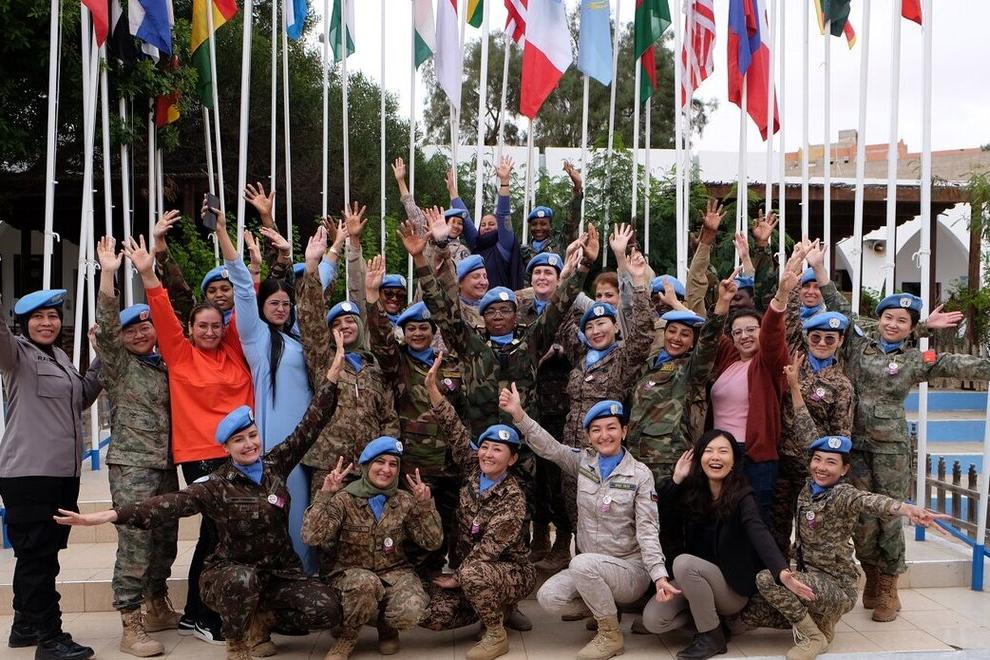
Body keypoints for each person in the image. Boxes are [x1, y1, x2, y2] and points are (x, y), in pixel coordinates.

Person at [55, 340, 347, 660]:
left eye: (252, 436)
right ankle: (237, 644)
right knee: (242, 580)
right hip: (229, 575)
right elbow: (164, 505)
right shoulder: (215, 486)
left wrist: (332, 378)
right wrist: (109, 515)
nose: (249, 444)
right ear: (226, 448)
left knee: (326, 608)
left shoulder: (276, 464)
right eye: (239, 440)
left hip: (278, 574)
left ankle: (263, 619)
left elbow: (310, 425)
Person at [124, 230, 255, 644]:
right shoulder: (180, 355)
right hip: (201, 456)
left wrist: (250, 264)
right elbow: (162, 311)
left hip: (239, 455)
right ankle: (201, 614)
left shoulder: (234, 349)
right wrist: (148, 273)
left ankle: (203, 611)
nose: (211, 332)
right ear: (191, 328)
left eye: (216, 325)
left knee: (226, 533)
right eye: (202, 326)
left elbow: (245, 298)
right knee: (215, 531)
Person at [839, 292, 990, 621]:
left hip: (891, 450)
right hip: (856, 448)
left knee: (890, 518)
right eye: (888, 317)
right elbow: (842, 312)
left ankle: (889, 586)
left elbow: (953, 363)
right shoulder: (858, 345)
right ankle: (872, 575)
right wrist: (822, 272)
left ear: (910, 328)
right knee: (862, 520)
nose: (893, 324)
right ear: (879, 319)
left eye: (902, 321)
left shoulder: (914, 360)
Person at [742, 431, 946, 660]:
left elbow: (869, 500)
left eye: (831, 462)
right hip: (809, 580)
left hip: (836, 588)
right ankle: (820, 622)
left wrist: (906, 509)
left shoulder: (842, 494)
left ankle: (814, 637)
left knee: (767, 579)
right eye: (817, 459)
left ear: (844, 469)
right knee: (750, 614)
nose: (821, 467)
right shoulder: (807, 490)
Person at [501, 392, 674, 660]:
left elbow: (648, 531)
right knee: (549, 597)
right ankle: (604, 608)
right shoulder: (584, 462)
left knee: (581, 563)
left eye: (611, 428)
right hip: (591, 568)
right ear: (588, 436)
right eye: (596, 430)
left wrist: (659, 576)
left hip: (629, 570)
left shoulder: (640, 475)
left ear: (624, 431)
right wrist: (519, 415)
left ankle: (610, 634)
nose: (604, 435)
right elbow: (551, 448)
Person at [212, 199, 327, 575]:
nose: (281, 308)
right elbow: (243, 288)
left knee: (310, 510)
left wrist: (323, 256)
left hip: (312, 441)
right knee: (284, 509)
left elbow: (318, 287)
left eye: (286, 304)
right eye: (274, 302)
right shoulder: (256, 338)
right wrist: (222, 232)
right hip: (278, 440)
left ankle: (308, 579)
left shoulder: (299, 337)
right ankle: (284, 579)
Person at [641, 431, 814, 660]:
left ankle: (711, 637)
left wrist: (781, 572)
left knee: (684, 563)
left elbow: (759, 532)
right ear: (699, 458)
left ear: (733, 460)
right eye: (709, 451)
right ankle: (715, 623)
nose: (715, 457)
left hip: (730, 589)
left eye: (723, 451)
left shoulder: (743, 495)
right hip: (693, 579)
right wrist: (676, 480)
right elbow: (660, 517)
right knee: (653, 620)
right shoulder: (693, 491)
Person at [0, 288, 102, 660]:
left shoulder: (59, 357)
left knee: (43, 554)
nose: (47, 323)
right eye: (38, 317)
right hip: (29, 475)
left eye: (54, 316)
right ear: (23, 324)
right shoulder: (15, 354)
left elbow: (82, 397)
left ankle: (25, 626)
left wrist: (101, 355)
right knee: (37, 557)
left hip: (61, 475)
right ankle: (50, 638)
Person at [94, 235, 179, 657]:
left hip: (164, 465)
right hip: (131, 468)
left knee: (165, 539)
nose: (142, 333)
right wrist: (109, 274)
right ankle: (131, 624)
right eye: (132, 330)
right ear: (121, 338)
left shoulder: (164, 365)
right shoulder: (119, 365)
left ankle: (157, 603)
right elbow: (106, 328)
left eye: (146, 326)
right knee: (135, 545)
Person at [550, 230, 655, 565]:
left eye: (603, 324)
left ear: (616, 327)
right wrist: (569, 274)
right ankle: (586, 577)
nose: (596, 331)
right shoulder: (580, 354)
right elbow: (561, 316)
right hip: (575, 453)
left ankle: (614, 577)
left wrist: (638, 283)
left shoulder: (623, 359)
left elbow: (643, 331)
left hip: (607, 454)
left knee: (609, 522)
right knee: (578, 518)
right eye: (590, 326)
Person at [420, 361, 536, 660]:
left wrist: (458, 577)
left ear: (511, 459)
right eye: (485, 447)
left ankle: (496, 634)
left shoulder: (512, 498)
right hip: (472, 572)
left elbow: (487, 550)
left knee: (473, 574)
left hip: (510, 572)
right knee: (433, 616)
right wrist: (432, 389)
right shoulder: (474, 467)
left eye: (498, 450)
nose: (488, 454)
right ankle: (489, 609)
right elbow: (453, 426)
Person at [365, 257, 464, 576]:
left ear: (433, 332)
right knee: (414, 522)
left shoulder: (450, 363)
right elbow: (381, 338)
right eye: (411, 328)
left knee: (448, 522)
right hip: (415, 462)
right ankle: (412, 578)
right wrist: (372, 297)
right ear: (404, 332)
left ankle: (439, 576)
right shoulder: (398, 363)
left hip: (450, 463)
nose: (418, 333)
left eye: (424, 328)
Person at [301, 437, 443, 659]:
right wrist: (325, 495)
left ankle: (387, 628)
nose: (386, 470)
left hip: (395, 573)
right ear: (366, 466)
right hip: (350, 574)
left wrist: (425, 506)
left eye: (393, 464)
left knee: (412, 608)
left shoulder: (404, 501)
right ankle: (347, 637)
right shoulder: (344, 499)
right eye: (380, 462)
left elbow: (432, 542)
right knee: (366, 584)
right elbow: (311, 536)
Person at [295, 228, 399, 502]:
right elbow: (310, 317)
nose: (345, 326)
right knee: (324, 523)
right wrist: (311, 266)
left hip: (369, 466)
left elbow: (388, 416)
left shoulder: (374, 365)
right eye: (337, 324)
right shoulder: (323, 358)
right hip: (329, 464)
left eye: (350, 321)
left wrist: (386, 455)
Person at [709, 255, 800, 520]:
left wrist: (782, 294)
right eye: (737, 332)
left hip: (753, 456)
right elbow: (709, 332)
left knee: (754, 522)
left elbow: (773, 334)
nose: (744, 336)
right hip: (720, 452)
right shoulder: (728, 359)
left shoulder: (768, 362)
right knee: (720, 520)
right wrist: (722, 300)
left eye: (751, 330)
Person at [626, 270, 736, 485]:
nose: (676, 338)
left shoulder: (691, 369)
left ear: (692, 342)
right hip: (635, 460)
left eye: (685, 334)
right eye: (672, 331)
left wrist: (723, 302)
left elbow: (709, 341)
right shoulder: (649, 364)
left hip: (669, 463)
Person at [770, 313, 854, 556]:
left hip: (814, 469)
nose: (822, 343)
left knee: (811, 530)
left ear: (840, 341)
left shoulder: (841, 385)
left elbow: (841, 435)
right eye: (816, 337)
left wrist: (830, 473)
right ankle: (778, 573)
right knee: (777, 526)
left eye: (830, 339)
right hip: (782, 460)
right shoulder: (792, 366)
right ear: (807, 338)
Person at [447, 159, 525, 290]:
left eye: (491, 224)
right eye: (483, 225)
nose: (486, 227)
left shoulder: (503, 246)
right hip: (476, 301)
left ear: (499, 228)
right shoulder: (477, 245)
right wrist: (452, 190)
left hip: (499, 301)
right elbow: (465, 217)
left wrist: (505, 182)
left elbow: (503, 214)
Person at [519, 161, 584, 267]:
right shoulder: (523, 251)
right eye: (534, 224)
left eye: (543, 224)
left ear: (551, 226)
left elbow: (572, 222)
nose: (538, 228)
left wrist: (577, 188)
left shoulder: (560, 244)